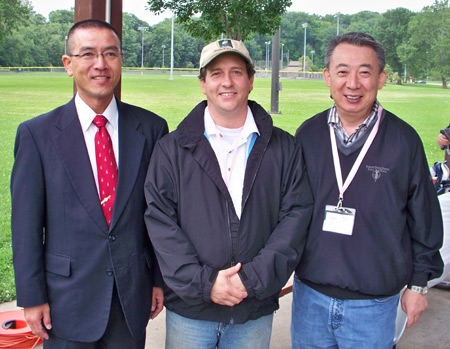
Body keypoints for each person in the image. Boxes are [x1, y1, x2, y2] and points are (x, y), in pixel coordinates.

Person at [144, 39, 313, 348]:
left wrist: (251, 281)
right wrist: (205, 284)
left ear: (250, 81)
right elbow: (160, 222)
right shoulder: (171, 150)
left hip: (253, 309)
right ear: (203, 83)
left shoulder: (284, 148)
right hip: (191, 312)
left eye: (236, 72)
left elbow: (296, 217)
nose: (227, 82)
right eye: (217, 73)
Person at [10, 19, 168, 348]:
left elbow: (159, 213)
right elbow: (25, 225)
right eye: (88, 54)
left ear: (121, 60)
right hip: (65, 301)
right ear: (68, 64)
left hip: (131, 297)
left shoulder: (151, 129)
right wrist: (31, 296)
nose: (100, 64)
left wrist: (157, 279)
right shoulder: (37, 135)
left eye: (110, 54)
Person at [292, 32, 444, 348]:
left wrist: (418, 286)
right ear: (327, 77)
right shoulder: (307, 135)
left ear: (381, 78)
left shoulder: (404, 141)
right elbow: (289, 210)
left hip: (373, 304)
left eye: (365, 72)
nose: (353, 83)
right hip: (310, 297)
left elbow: (425, 219)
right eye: (343, 71)